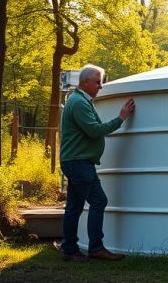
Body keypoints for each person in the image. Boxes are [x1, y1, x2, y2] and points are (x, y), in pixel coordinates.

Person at [58, 64, 136, 262]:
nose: (100, 86)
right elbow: (94, 130)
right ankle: (95, 247)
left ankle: (70, 249)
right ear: (85, 82)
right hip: (79, 162)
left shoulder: (80, 101)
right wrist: (121, 118)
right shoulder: (79, 103)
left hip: (77, 161)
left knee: (74, 206)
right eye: (97, 82)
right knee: (98, 201)